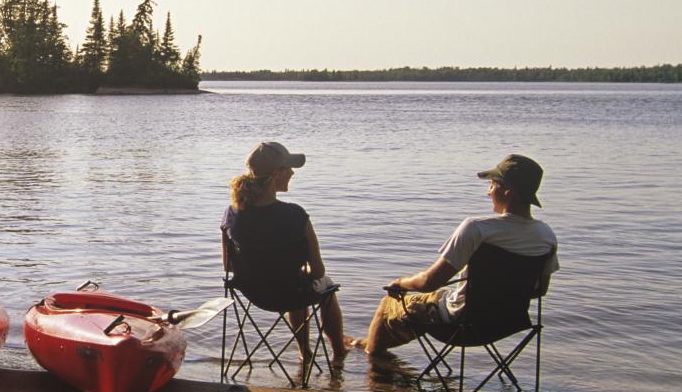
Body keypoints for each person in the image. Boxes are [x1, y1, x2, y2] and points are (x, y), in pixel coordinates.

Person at [362, 154, 559, 355]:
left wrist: (400, 283)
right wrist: (499, 295)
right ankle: (367, 346)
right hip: (507, 324)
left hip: (461, 323)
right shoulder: (546, 236)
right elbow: (540, 290)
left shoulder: (477, 229)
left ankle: (374, 367)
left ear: (508, 191)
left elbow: (429, 281)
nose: (488, 192)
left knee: (390, 304)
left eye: (492, 184)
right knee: (432, 300)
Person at [221, 141, 348, 364]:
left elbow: (229, 267)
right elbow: (318, 271)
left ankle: (304, 352)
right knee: (321, 284)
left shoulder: (231, 214)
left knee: (294, 281)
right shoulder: (296, 215)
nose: (292, 173)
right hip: (291, 292)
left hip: (254, 293)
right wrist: (304, 268)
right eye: (288, 169)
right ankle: (339, 353)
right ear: (276, 174)